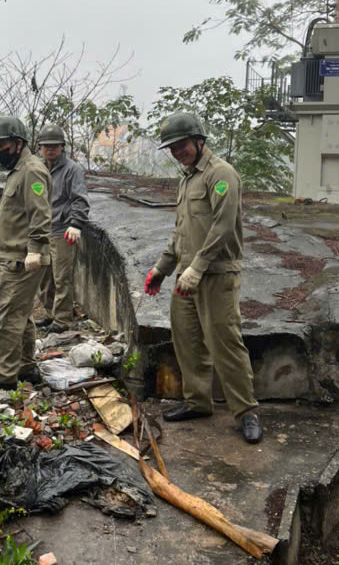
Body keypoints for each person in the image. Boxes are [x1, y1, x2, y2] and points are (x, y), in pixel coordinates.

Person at [143, 112, 262, 444]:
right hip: (185, 276)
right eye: (172, 147)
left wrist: (198, 267)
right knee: (187, 340)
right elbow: (180, 233)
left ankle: (247, 411)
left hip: (216, 275)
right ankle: (197, 402)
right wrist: (160, 269)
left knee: (226, 345)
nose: (177, 151)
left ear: (198, 140)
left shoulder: (220, 175)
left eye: (182, 145)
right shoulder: (187, 179)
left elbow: (223, 228)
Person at [0, 116, 52, 391]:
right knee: (21, 313)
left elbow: (40, 215)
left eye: (1, 146)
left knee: (7, 316)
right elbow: (14, 215)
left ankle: (4, 376)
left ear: (18, 143)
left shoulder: (32, 171)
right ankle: (27, 367)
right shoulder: (18, 170)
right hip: (12, 253)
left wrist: (36, 249)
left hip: (23, 259)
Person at [35, 123, 90, 334]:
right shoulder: (39, 169)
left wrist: (76, 224)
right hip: (42, 229)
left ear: (62, 147)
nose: (50, 150)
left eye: (54, 146)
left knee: (62, 277)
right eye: (46, 146)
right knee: (44, 278)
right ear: (41, 148)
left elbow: (80, 199)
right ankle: (50, 314)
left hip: (62, 230)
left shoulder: (72, 170)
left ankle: (63, 319)